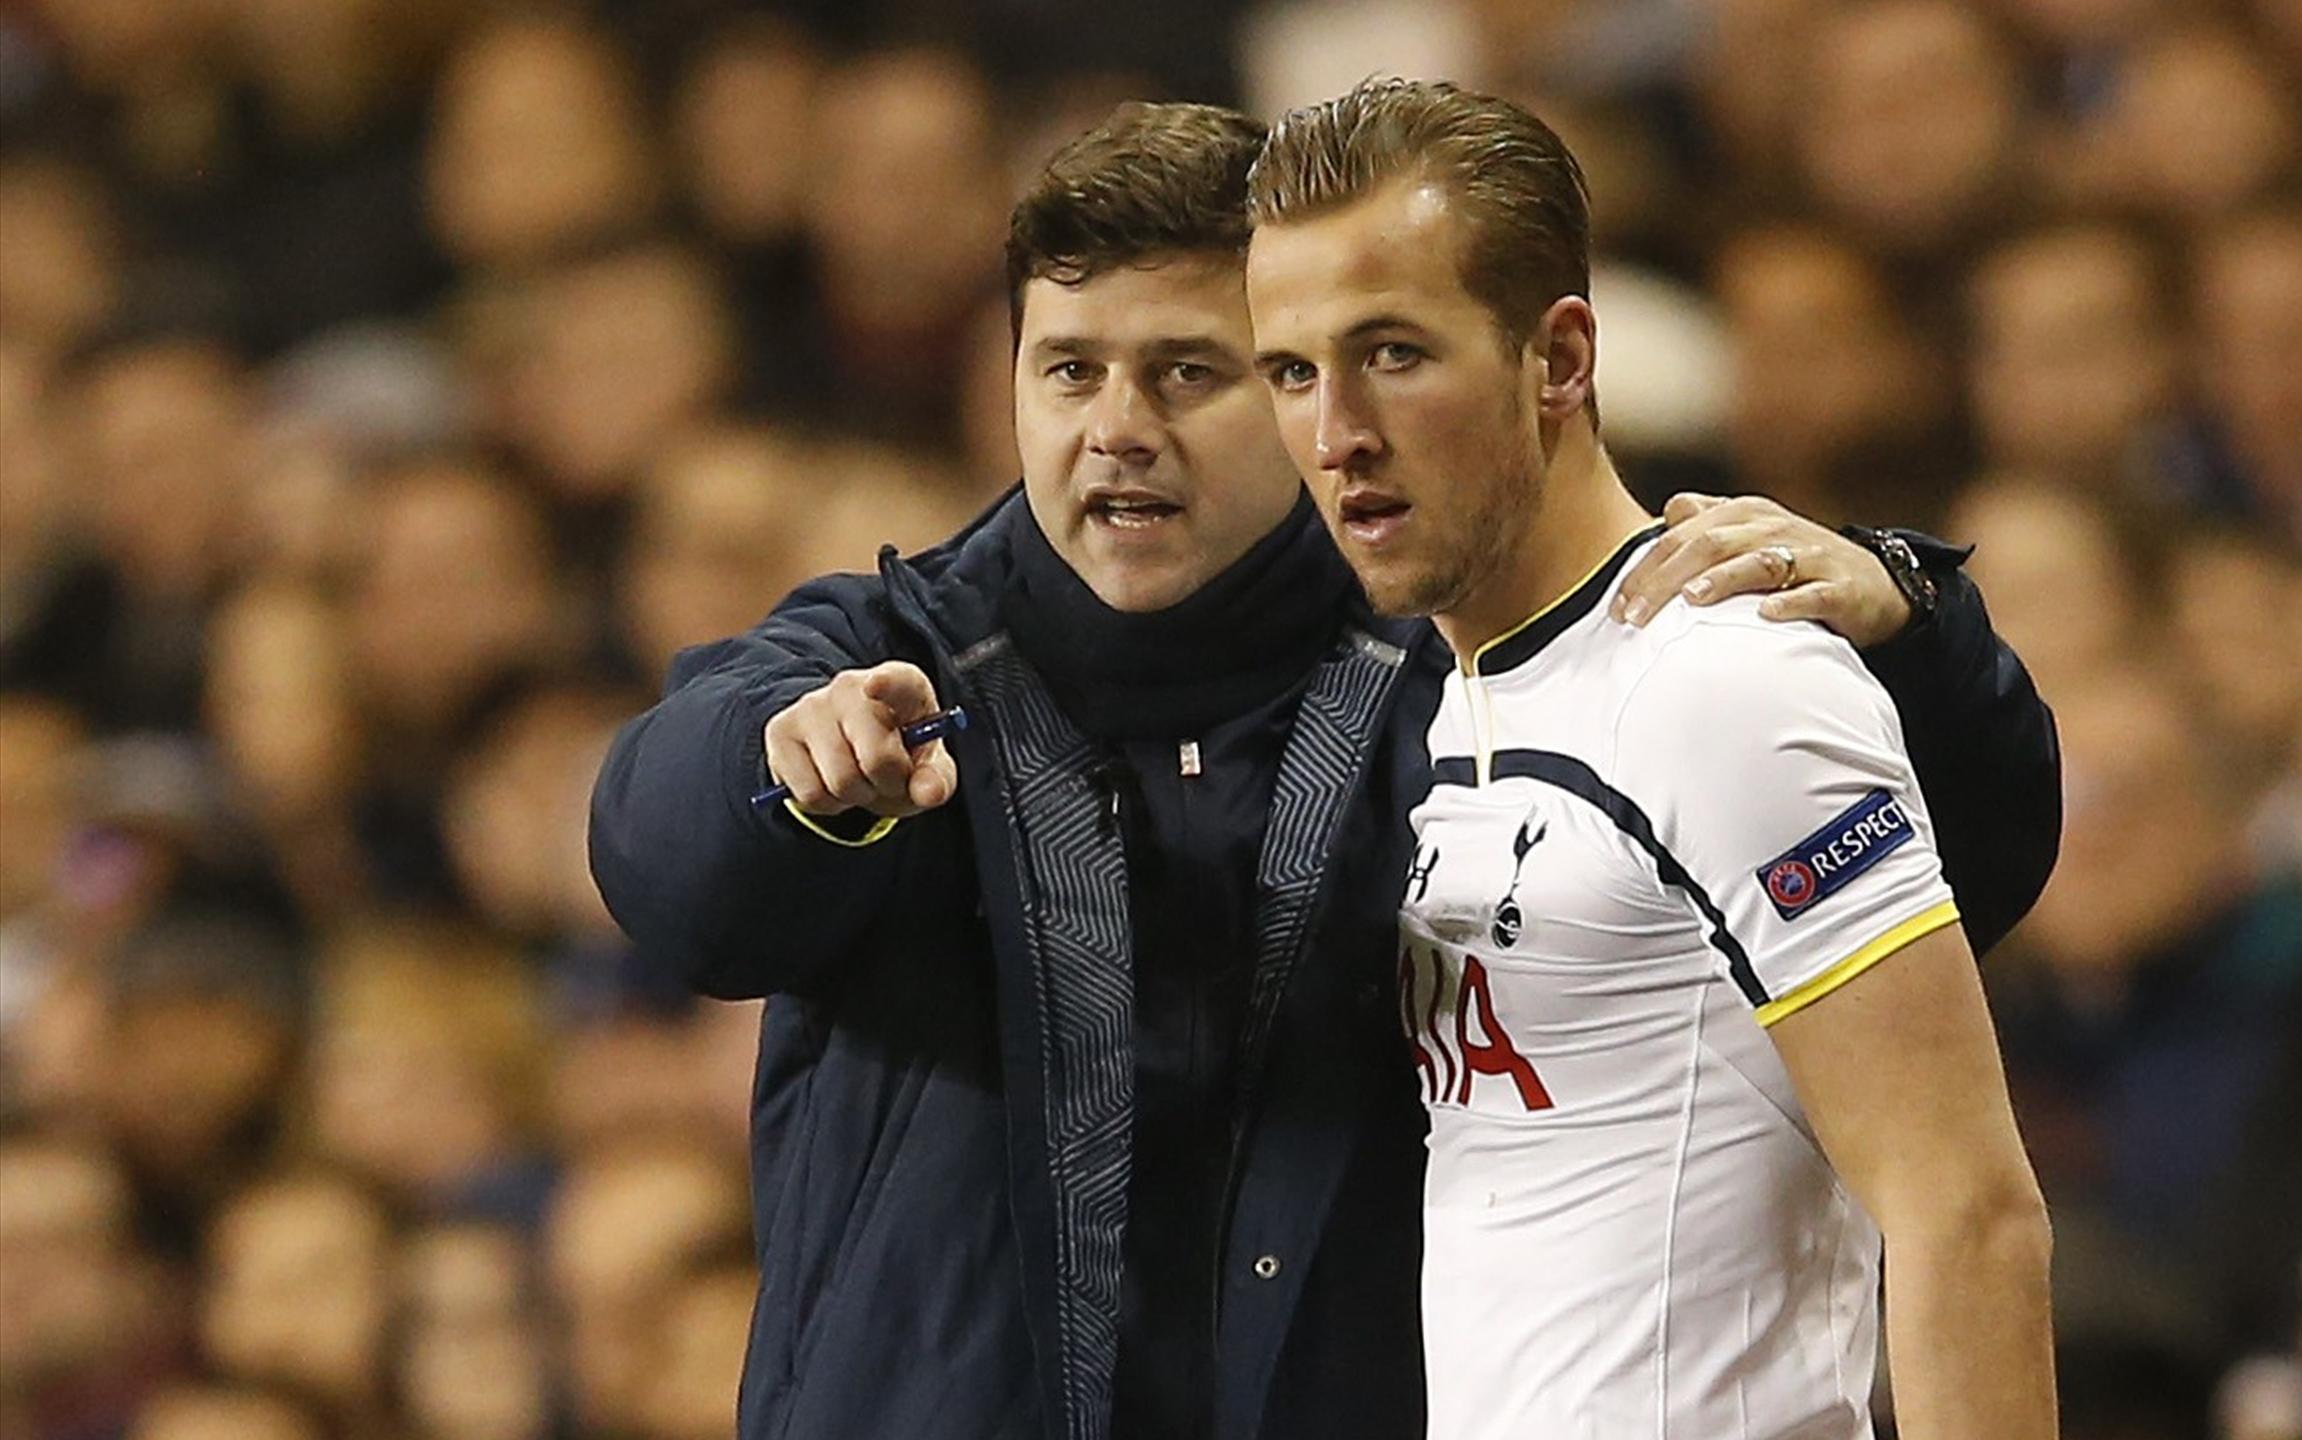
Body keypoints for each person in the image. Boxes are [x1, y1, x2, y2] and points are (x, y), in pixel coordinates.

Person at [591, 100, 2060, 1440]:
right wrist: (780, 787)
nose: (1118, 432)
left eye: (1192, 373)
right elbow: (673, 874)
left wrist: (1907, 628)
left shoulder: (1477, 663)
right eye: (1070, 372)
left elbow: (1929, 921)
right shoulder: (896, 667)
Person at [1242, 79, 2056, 1438]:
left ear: (1559, 360)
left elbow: (1968, 1215)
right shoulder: (1445, 701)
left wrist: (1920, 611)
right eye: (1292, 372)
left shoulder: (1725, 681)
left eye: (1393, 353)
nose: (1336, 435)